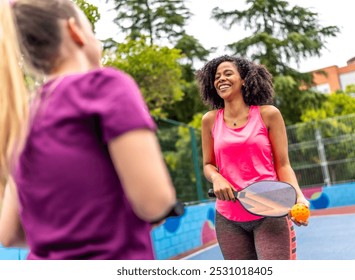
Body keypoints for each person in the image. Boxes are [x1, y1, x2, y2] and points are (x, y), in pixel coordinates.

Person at [0, 0, 176, 259]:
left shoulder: (20, 115)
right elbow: (155, 203)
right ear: (75, 30)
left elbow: (9, 234)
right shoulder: (106, 86)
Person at [196, 55, 309, 260]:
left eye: (228, 73)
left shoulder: (269, 114)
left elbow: (283, 164)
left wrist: (298, 197)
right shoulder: (209, 120)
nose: (221, 78)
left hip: (270, 210)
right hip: (228, 217)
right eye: (217, 76)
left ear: (244, 79)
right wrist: (217, 178)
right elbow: (207, 165)